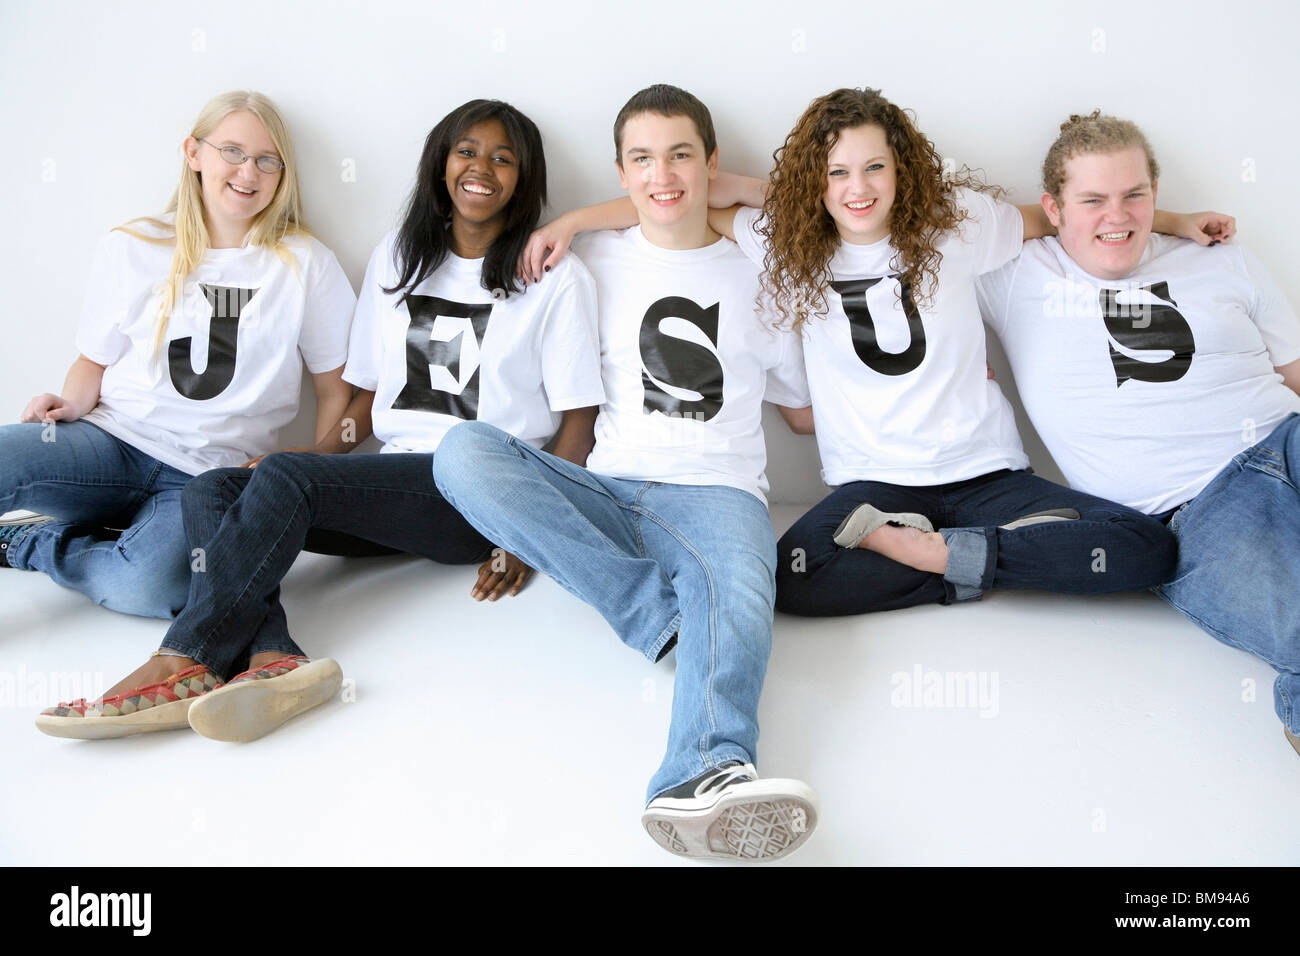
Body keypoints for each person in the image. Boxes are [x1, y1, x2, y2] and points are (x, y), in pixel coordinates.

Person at [37, 99, 605, 744]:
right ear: (441, 165)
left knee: (282, 478)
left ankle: (183, 660)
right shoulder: (400, 256)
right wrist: (311, 458)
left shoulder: (554, 276)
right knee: (215, 487)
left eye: (504, 159)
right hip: (397, 489)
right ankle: (273, 660)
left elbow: (579, 420)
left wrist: (527, 527)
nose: (482, 169)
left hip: (477, 495)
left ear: (524, 178)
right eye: (467, 152)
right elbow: (362, 400)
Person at [528, 88, 1207, 618]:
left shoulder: (958, 224)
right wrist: (571, 222)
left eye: (875, 167)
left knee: (1148, 546)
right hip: (873, 493)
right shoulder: (787, 242)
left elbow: (1057, 216)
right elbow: (673, 205)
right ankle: (987, 565)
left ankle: (947, 557)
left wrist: (1170, 221)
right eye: (838, 173)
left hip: (987, 473)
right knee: (793, 577)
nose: (859, 188)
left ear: (901, 169)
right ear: (814, 183)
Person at [434, 85, 819, 862]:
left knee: (742, 589)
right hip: (609, 490)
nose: (661, 174)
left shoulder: (762, 265)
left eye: (681, 154)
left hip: (720, 494)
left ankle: (703, 773)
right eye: (641, 159)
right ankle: (655, 614)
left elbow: (805, 411)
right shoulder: (588, 258)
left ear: (713, 161)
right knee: (461, 452)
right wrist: (577, 222)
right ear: (619, 169)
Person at [976, 110, 1300, 755]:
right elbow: (912, 219)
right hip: (1196, 508)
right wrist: (1167, 215)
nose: (1116, 217)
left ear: (1156, 192)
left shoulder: (1224, 259)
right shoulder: (1012, 274)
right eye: (1091, 200)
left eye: (1134, 195)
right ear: (1052, 207)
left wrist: (1172, 225)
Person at [0, 90, 356, 619]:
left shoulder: (305, 263)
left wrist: (321, 457)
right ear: (193, 153)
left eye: (267, 161)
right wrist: (70, 405)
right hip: (110, 442)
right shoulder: (134, 245)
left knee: (154, 586)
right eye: (231, 151)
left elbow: (337, 388)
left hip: (205, 476)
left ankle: (29, 543)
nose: (247, 172)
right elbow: (92, 362)